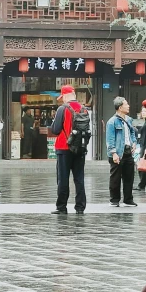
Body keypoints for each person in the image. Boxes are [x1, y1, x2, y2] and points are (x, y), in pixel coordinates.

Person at [50, 85, 86, 214]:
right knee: (79, 179)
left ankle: (61, 207)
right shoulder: (84, 109)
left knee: (63, 179)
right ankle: (80, 207)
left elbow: (55, 130)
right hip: (80, 148)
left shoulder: (62, 109)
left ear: (65, 95)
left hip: (64, 147)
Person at [106, 97, 137, 207]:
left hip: (128, 152)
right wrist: (113, 153)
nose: (128, 106)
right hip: (118, 153)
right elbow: (110, 139)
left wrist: (134, 143)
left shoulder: (128, 119)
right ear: (120, 107)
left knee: (129, 177)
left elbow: (132, 133)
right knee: (115, 177)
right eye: (126, 104)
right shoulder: (112, 122)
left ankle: (128, 199)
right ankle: (114, 200)